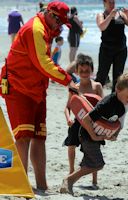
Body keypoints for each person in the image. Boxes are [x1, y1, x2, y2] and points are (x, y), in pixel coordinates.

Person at [0, 1, 76, 193]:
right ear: (51, 15)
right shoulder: (35, 29)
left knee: (39, 136)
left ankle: (41, 185)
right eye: (60, 24)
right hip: (18, 88)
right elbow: (44, 63)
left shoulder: (46, 29)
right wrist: (68, 80)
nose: (60, 29)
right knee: (23, 137)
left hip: (36, 89)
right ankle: (20, 185)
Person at [60, 73, 128, 195]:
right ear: (117, 90)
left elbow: (119, 122)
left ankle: (69, 181)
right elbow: (86, 119)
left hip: (97, 136)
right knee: (97, 164)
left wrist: (115, 134)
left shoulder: (123, 106)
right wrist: (93, 136)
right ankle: (69, 180)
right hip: (87, 134)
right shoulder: (106, 103)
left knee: (92, 163)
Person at [63, 53, 103, 189]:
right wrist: (68, 119)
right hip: (77, 122)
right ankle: (71, 171)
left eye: (87, 71)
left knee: (94, 149)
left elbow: (102, 105)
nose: (85, 73)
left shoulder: (97, 86)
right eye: (81, 71)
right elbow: (67, 107)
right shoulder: (75, 87)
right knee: (71, 145)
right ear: (76, 72)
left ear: (92, 70)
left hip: (92, 123)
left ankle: (94, 180)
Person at [95, 0, 128, 92]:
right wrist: (110, 16)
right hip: (106, 49)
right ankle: (95, 98)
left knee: (118, 78)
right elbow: (101, 27)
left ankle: (114, 100)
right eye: (110, 2)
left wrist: (127, 14)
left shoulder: (120, 14)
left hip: (121, 50)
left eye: (113, 2)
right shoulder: (101, 15)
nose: (112, 4)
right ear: (104, 3)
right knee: (101, 76)